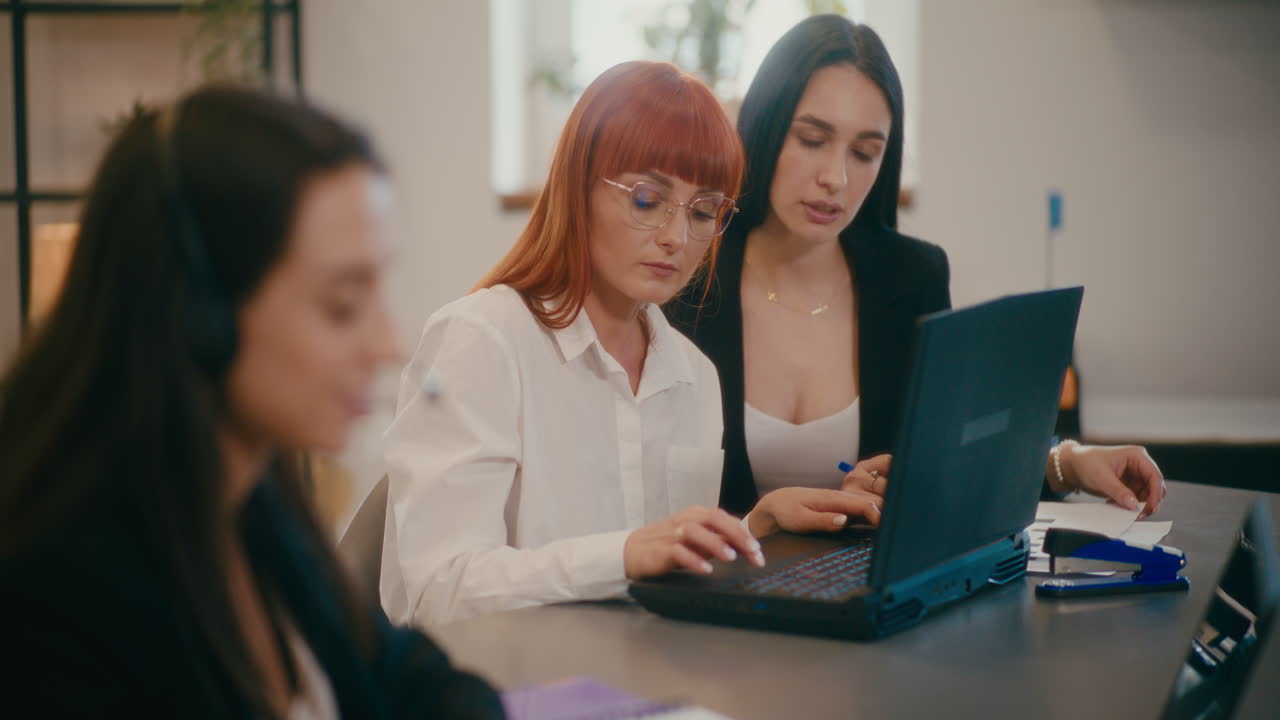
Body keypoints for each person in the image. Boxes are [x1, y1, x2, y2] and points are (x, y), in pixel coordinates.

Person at [0, 86, 503, 718]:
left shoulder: (248, 491)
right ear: (202, 315)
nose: (388, 343)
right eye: (342, 305)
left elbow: (399, 672)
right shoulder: (55, 601)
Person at [380, 61, 882, 629]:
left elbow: (658, 571)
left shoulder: (694, 374)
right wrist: (622, 556)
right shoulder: (481, 341)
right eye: (646, 200)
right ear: (579, 186)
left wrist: (753, 528)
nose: (676, 237)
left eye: (702, 211)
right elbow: (435, 592)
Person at [667, 15, 1166, 519]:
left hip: (866, 586)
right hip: (715, 586)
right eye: (813, 140)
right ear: (765, 129)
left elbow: (953, 449)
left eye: (865, 152)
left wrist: (1069, 462)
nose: (835, 178)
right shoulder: (686, 274)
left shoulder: (911, 278)